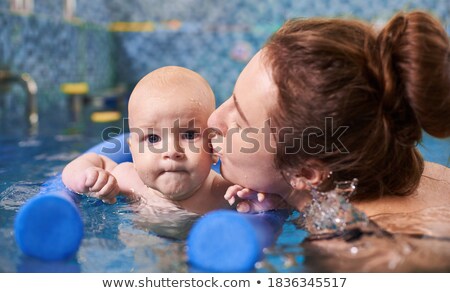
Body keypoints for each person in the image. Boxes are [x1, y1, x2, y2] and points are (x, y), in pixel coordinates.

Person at [208, 10, 450, 234]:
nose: (213, 119)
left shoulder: (358, 250)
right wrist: (287, 198)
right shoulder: (431, 175)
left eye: (238, 125)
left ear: (306, 172)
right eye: (232, 96)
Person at [62, 66, 231, 238]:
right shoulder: (129, 182)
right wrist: (87, 177)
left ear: (213, 146)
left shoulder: (225, 194)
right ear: (133, 151)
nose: (172, 151)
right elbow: (87, 162)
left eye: (188, 135)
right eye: (152, 139)